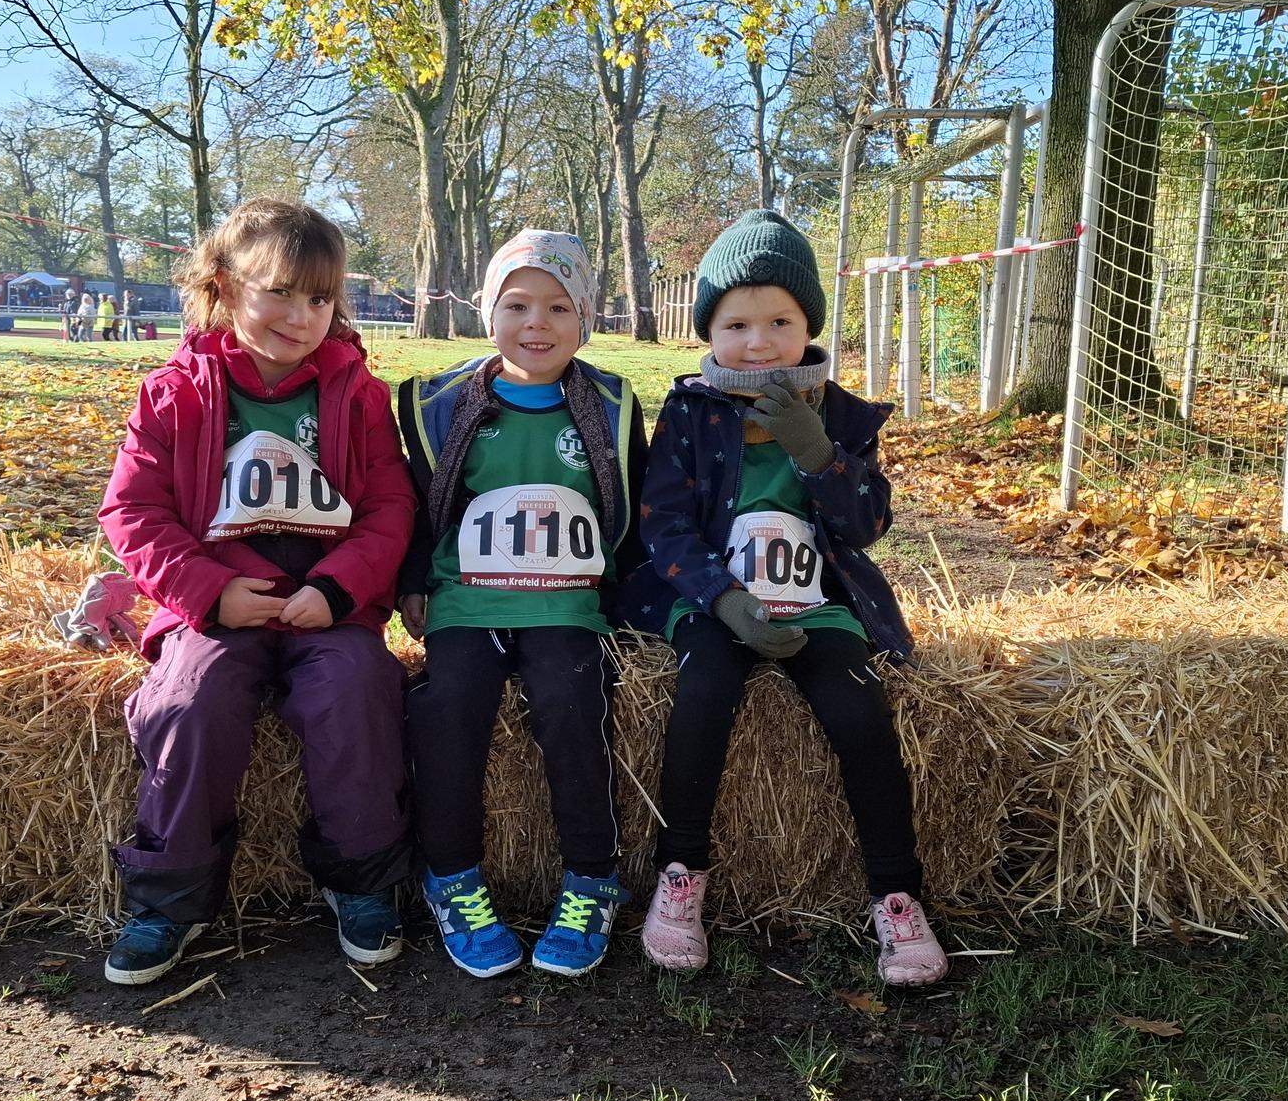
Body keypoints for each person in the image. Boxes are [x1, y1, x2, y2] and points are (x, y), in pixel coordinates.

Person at [96, 197, 417, 986]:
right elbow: (133, 511)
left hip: (323, 605)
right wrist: (209, 593)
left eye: (319, 298)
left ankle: (361, 882)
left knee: (357, 688)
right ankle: (171, 897)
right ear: (221, 282)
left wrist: (338, 593)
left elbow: (388, 506)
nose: (301, 315)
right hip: (215, 604)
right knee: (190, 700)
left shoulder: (356, 392)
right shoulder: (173, 391)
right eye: (279, 291)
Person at [631, 210, 949, 988]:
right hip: (718, 603)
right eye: (736, 323)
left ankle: (895, 893)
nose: (758, 342)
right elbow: (661, 526)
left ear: (808, 323)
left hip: (817, 601)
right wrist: (721, 599)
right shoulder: (687, 410)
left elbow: (866, 526)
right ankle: (680, 875)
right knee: (701, 695)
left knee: (857, 712)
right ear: (709, 329)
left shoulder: (842, 416)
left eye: (780, 321)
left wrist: (821, 455)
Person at [397, 230, 646, 979]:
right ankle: (452, 876)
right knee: (448, 705)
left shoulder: (609, 404)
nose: (536, 324)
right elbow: (412, 504)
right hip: (468, 601)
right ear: (486, 312)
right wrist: (412, 581)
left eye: (558, 307)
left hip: (565, 602)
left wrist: (629, 605)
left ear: (585, 320)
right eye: (517, 305)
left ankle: (590, 878)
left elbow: (630, 507)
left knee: (573, 700)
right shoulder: (437, 403)